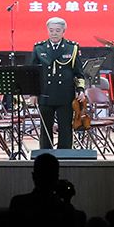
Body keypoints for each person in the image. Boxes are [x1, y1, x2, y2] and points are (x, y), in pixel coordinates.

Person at [30, 16, 81, 151]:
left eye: (58, 30)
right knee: (45, 128)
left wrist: (80, 90)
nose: (54, 33)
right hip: (45, 93)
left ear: (63, 31)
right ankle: (45, 154)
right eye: (51, 30)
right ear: (47, 30)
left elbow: (78, 73)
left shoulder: (72, 48)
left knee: (65, 128)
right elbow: (33, 73)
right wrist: (33, 94)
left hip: (65, 94)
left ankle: (64, 156)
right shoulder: (39, 48)